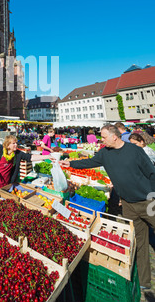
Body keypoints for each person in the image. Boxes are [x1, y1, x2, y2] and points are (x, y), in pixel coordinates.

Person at [59, 123, 155, 292]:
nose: (101, 140)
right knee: (139, 243)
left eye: (103, 137)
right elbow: (89, 162)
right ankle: (145, 282)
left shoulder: (134, 151)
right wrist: (70, 164)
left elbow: (151, 173)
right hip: (128, 204)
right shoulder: (104, 153)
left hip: (147, 201)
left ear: (114, 136)